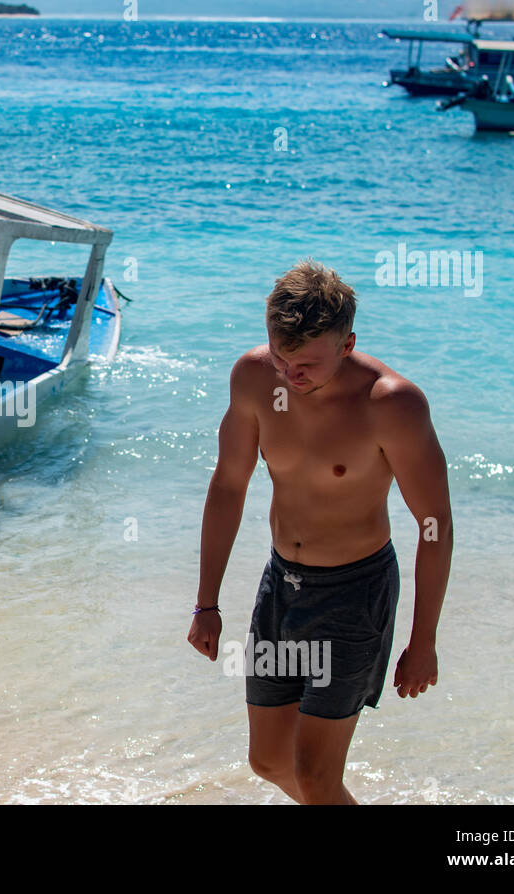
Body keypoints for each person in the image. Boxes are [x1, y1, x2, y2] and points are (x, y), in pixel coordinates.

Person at [187, 259, 452, 804]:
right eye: (281, 357)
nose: (290, 375)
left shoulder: (391, 404)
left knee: (313, 776)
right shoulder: (253, 378)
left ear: (347, 343)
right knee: (267, 762)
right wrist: (205, 603)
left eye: (306, 363)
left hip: (356, 594)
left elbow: (435, 525)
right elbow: (229, 486)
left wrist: (422, 639)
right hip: (282, 585)